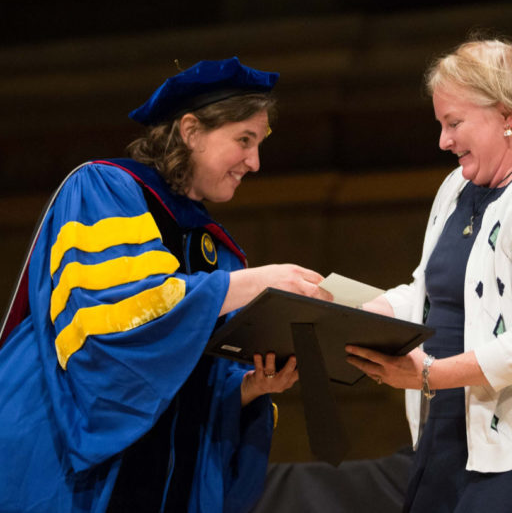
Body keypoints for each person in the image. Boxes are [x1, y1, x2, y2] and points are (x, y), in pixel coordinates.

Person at [0, 57, 332, 513]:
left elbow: (181, 378)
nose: (255, 162)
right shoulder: (106, 187)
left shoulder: (218, 250)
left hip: (163, 478)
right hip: (65, 463)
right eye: (244, 140)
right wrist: (248, 284)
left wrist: (247, 389)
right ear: (191, 131)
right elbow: (115, 326)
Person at [345, 37, 512, 512]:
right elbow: (432, 291)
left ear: (507, 115)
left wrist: (429, 374)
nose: (443, 141)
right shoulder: (457, 187)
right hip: (447, 436)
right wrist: (358, 314)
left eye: (454, 123)